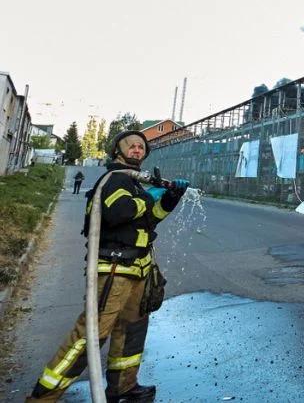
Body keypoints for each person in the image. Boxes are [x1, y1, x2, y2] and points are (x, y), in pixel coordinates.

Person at [28, 130, 189, 403]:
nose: (138, 150)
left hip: (139, 269)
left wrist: (170, 199)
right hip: (115, 269)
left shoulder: (135, 183)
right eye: (132, 146)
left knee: (132, 332)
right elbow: (118, 214)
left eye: (141, 147)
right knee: (90, 336)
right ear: (118, 151)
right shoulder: (114, 180)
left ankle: (123, 387)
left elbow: (149, 219)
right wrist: (151, 195)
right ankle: (43, 397)